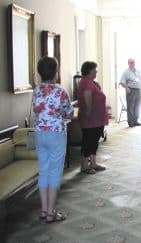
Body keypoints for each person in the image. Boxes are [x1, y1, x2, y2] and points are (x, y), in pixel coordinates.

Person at [33, 56, 73, 223]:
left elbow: (38, 110)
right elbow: (68, 113)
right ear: (55, 71)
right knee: (55, 172)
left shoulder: (36, 89)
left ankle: (43, 210)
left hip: (39, 133)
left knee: (43, 170)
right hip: (56, 134)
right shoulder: (60, 91)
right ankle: (51, 213)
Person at [78, 61, 108, 174]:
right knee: (88, 142)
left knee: (94, 141)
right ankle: (84, 166)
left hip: (97, 119)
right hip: (90, 119)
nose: (96, 71)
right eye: (95, 69)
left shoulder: (92, 82)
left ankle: (93, 163)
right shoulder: (86, 82)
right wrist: (89, 112)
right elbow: (87, 96)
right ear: (90, 70)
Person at [119, 58, 141, 127]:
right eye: (131, 62)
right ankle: (131, 122)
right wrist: (126, 88)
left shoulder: (138, 71)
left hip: (138, 90)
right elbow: (121, 82)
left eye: (134, 62)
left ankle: (136, 121)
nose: (133, 63)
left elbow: (140, 80)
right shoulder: (126, 72)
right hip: (131, 90)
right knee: (130, 107)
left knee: (138, 106)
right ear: (128, 63)